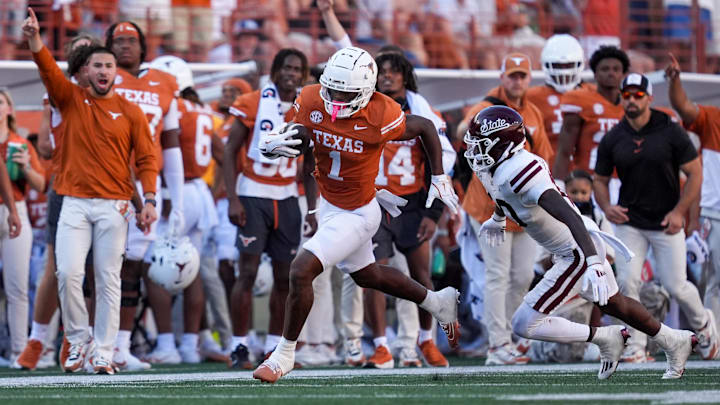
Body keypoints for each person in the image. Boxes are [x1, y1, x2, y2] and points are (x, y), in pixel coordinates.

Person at [252, 46, 460, 383]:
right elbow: (307, 132)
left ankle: (283, 355)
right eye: (331, 89)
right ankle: (437, 302)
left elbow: (425, 128)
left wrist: (438, 176)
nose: (334, 97)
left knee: (302, 270)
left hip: (360, 212)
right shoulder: (310, 98)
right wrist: (284, 141)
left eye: (344, 93)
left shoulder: (381, 112)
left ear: (364, 91)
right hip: (331, 203)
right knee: (369, 276)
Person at [465, 105, 697, 380]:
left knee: (523, 323)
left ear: (503, 143)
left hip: (576, 249)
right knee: (616, 304)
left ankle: (603, 336)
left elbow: (568, 215)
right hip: (575, 246)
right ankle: (674, 340)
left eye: (481, 145)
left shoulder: (519, 171)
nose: (474, 152)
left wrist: (594, 263)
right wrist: (498, 217)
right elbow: (503, 194)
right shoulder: (497, 167)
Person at [24, 7, 159, 374]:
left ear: (117, 73)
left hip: (115, 206)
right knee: (68, 273)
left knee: (107, 279)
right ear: (85, 71)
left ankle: (103, 351)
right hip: (74, 203)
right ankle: (80, 339)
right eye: (97, 65)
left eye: (109, 66)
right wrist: (35, 38)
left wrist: (148, 200)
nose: (103, 71)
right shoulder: (69, 99)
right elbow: (48, 69)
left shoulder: (131, 112)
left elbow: (147, 160)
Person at [594, 73, 718, 363]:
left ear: (649, 97)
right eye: (627, 95)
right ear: (621, 98)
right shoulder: (614, 137)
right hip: (630, 221)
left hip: (665, 220)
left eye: (638, 95)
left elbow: (695, 172)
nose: (632, 100)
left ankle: (704, 326)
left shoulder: (670, 130)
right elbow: (599, 179)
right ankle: (636, 345)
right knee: (627, 282)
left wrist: (679, 212)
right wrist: (607, 206)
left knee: (677, 285)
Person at [222, 48, 317, 369]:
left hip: (288, 198)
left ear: (303, 75)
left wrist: (313, 209)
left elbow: (310, 165)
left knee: (285, 278)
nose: (291, 74)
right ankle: (239, 346)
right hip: (253, 195)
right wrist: (233, 198)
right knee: (246, 273)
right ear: (275, 71)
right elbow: (230, 149)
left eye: (297, 69)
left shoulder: (308, 107)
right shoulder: (250, 101)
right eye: (286, 68)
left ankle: (277, 348)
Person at [360, 51, 455, 369]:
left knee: (421, 276)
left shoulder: (421, 112)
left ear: (405, 76)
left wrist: (433, 213)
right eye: (381, 71)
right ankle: (381, 346)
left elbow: (440, 162)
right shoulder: (364, 106)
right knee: (373, 273)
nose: (386, 76)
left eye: (393, 71)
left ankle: (426, 341)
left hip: (412, 202)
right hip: (374, 201)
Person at [459, 52, 553, 365]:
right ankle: (497, 345)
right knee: (497, 274)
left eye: (522, 75)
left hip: (523, 208)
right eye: (512, 75)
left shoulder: (534, 113)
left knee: (523, 274)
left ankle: (512, 337)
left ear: (529, 79)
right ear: (502, 77)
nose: (516, 80)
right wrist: (467, 127)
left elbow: (544, 158)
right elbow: (463, 134)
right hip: (488, 206)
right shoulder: (485, 108)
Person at [14, 34, 100, 371]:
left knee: (96, 271)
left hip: (103, 190)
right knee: (57, 267)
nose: (84, 57)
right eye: (78, 51)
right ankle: (38, 339)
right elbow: (47, 149)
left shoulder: (111, 96)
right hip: (66, 186)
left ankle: (81, 340)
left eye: (89, 51)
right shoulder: (60, 94)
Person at [105, 20, 185, 369]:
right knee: (98, 268)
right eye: (118, 41)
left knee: (134, 266)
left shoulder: (165, 84)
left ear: (142, 47)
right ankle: (88, 342)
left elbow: (171, 146)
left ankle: (121, 347)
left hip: (145, 183)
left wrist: (176, 200)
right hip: (103, 181)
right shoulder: (101, 76)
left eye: (131, 41)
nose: (125, 46)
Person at [667, 53, 720, 360]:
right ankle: (715, 340)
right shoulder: (713, 117)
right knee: (715, 280)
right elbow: (683, 107)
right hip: (716, 212)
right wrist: (675, 81)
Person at [0, 88, 46, 367]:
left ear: (9, 109)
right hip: (13, 212)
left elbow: (41, 185)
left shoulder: (21, 143)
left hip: (15, 210)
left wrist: (27, 167)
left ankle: (19, 350)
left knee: (17, 286)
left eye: (0, 102)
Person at [552, 45, 627, 192]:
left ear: (623, 74)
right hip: (588, 181)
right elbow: (565, 150)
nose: (611, 73)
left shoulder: (630, 104)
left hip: (624, 180)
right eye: (605, 69)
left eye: (616, 69)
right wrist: (558, 184)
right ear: (595, 73)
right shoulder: (580, 100)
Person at [527, 34, 594, 162]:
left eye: (569, 65)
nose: (564, 72)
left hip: (585, 170)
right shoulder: (531, 97)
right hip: (547, 168)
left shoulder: (592, 94)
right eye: (558, 66)